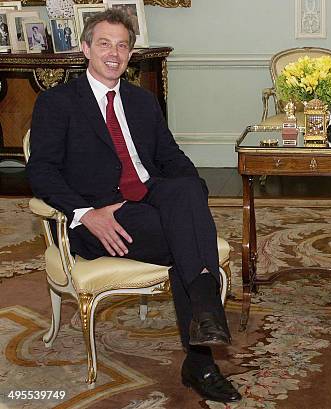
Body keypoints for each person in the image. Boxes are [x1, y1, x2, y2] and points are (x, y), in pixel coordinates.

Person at [26, 9, 241, 404]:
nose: (114, 53)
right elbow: (41, 172)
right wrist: (85, 215)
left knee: (186, 190)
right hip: (102, 215)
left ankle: (202, 335)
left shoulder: (143, 102)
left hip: (148, 195)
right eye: (104, 43)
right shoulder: (58, 104)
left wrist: (192, 189)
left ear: (130, 54)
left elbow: (173, 158)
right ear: (85, 48)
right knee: (186, 238)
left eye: (122, 45)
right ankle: (201, 356)